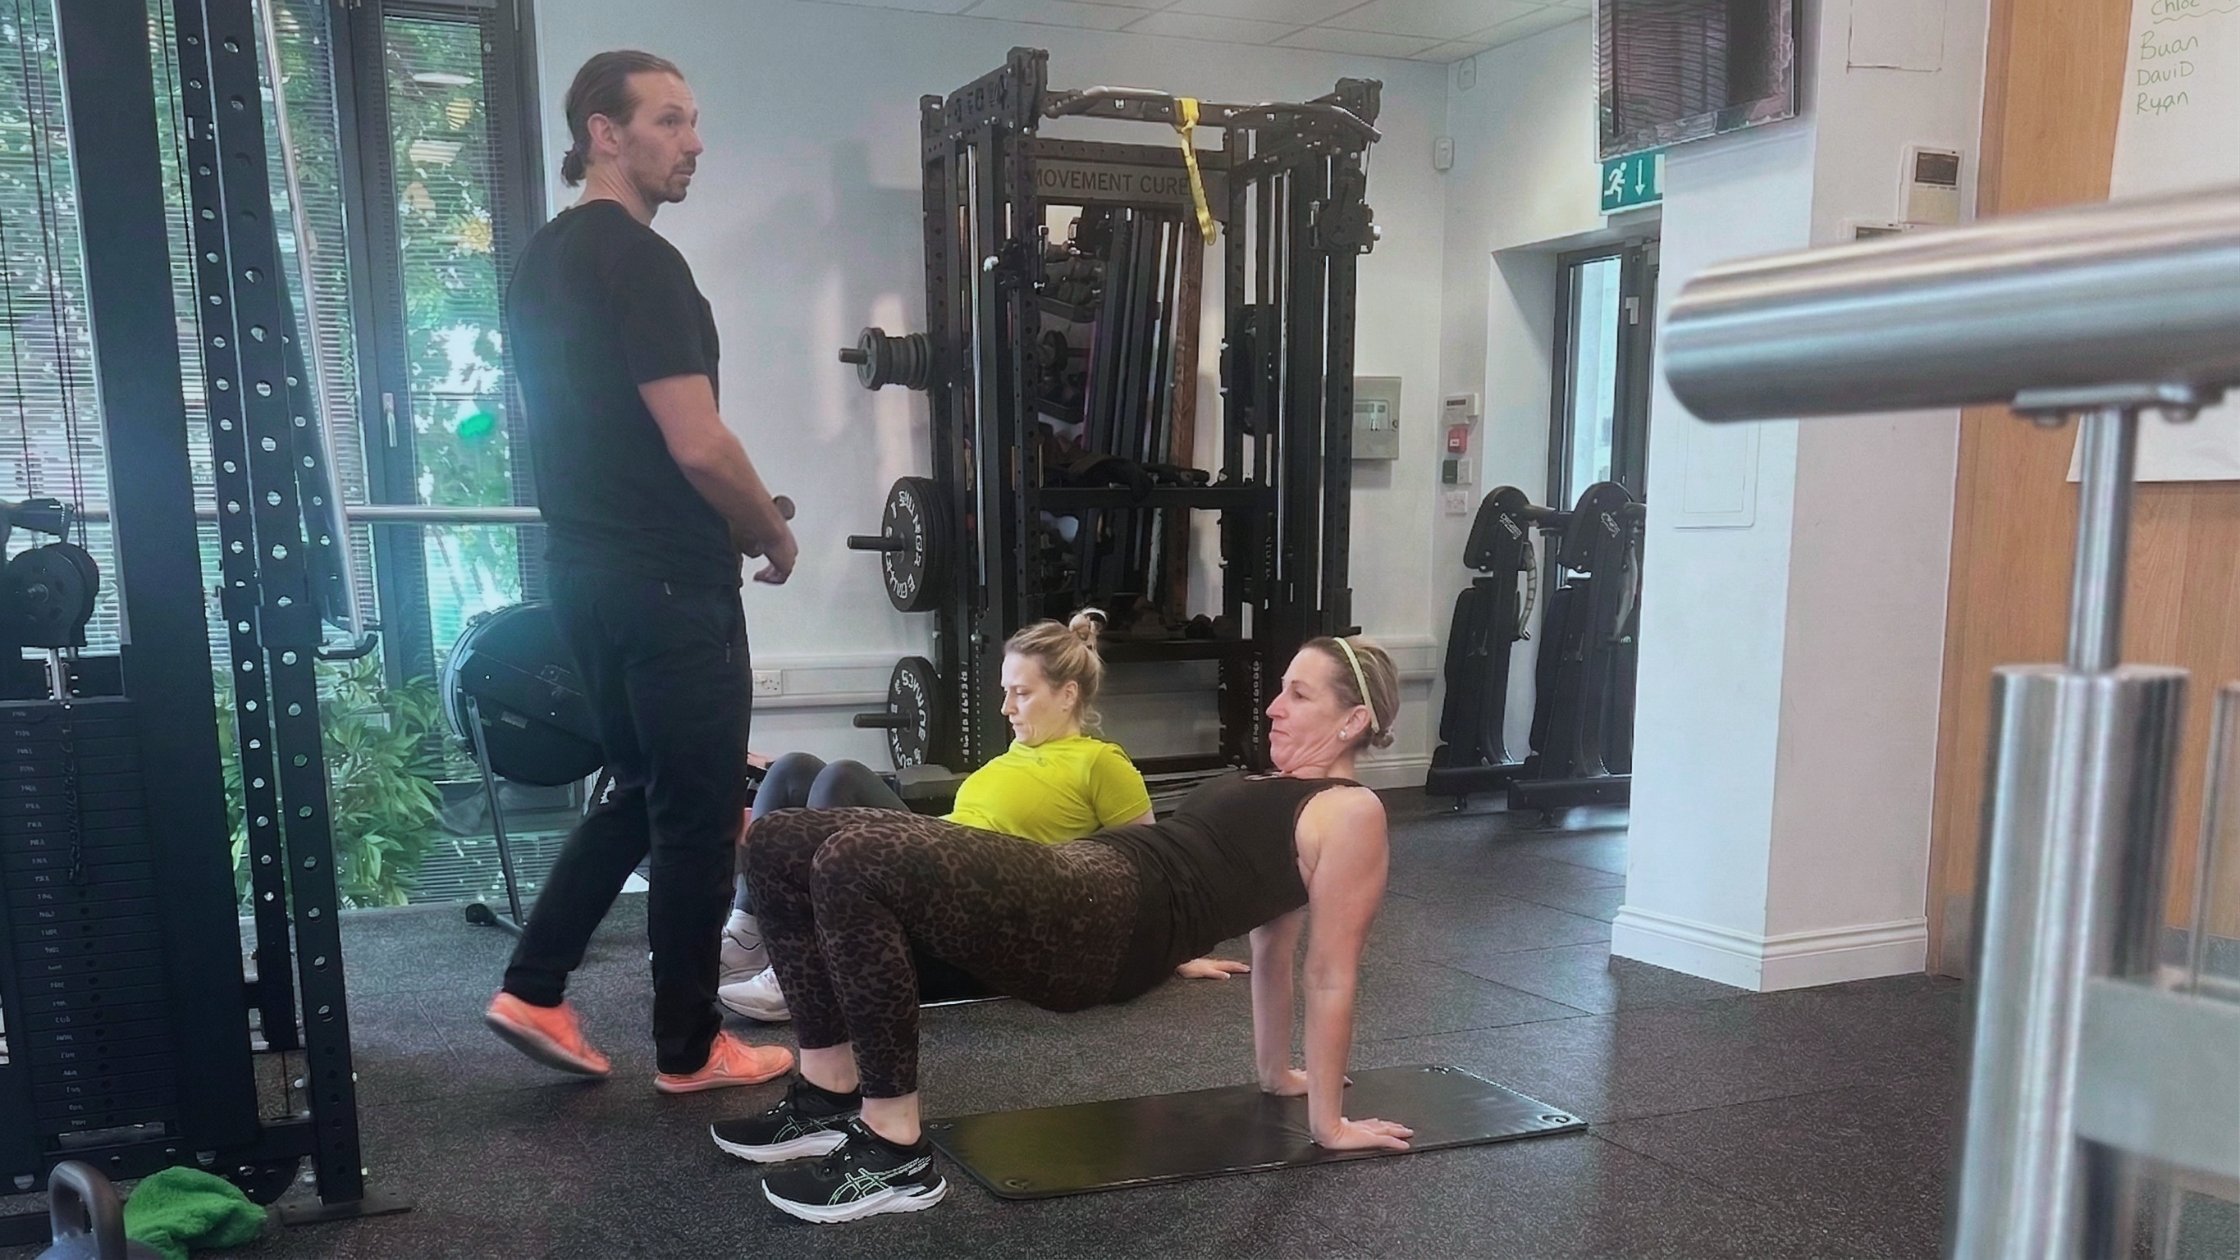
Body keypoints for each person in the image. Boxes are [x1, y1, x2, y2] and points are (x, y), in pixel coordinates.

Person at [724, 637, 1413, 1225]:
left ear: (1353, 720)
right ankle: (827, 1094)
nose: (1273, 706)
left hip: (1106, 921)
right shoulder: (1275, 786)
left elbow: (1327, 970)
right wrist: (1273, 1074)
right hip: (1088, 873)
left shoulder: (1351, 813)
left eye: (1299, 695)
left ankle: (895, 1150)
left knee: (852, 861)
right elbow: (1271, 946)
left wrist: (1327, 1123)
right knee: (779, 841)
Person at [480, 50, 798, 1094]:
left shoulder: (538, 262)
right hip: (667, 583)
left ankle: (533, 985)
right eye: (668, 121)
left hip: (583, 578)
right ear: (602, 132)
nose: (692, 142)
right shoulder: (642, 262)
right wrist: (768, 533)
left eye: (693, 121)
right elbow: (697, 443)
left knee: (644, 790)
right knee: (700, 815)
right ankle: (688, 1046)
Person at [718, 612, 1248, 1021]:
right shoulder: (1012, 756)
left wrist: (1178, 953)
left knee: (841, 779)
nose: (1006, 707)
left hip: (983, 899)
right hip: (936, 861)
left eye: (1021, 693)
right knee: (791, 770)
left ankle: (799, 972)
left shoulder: (1100, 762)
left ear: (1067, 695)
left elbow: (1154, 874)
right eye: (1005, 692)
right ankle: (748, 933)